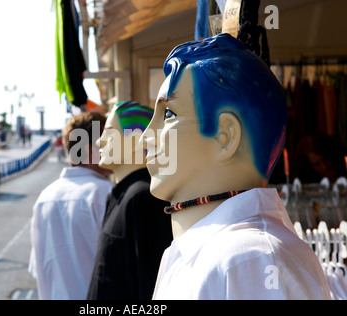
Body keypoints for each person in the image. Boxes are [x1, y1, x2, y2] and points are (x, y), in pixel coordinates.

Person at [141, 33, 331, 299]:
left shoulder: (250, 260)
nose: (146, 137)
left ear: (226, 136)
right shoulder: (227, 255)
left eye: (169, 115)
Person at [87, 101, 172, 300]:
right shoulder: (121, 194)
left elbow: (150, 285)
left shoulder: (142, 198)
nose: (100, 141)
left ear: (136, 140)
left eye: (109, 132)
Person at [28, 111, 114, 300]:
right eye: (108, 141)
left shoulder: (44, 198)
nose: (113, 148)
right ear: (91, 149)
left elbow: (39, 268)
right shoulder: (108, 194)